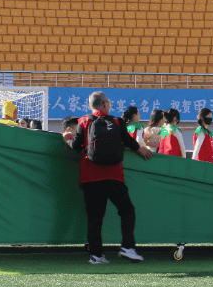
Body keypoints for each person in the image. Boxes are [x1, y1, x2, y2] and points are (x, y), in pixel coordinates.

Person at [64, 91, 152, 264]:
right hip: (114, 176)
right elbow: (128, 140)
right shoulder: (118, 122)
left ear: (91, 106)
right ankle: (128, 247)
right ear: (105, 104)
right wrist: (140, 149)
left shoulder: (83, 122)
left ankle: (96, 255)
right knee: (127, 211)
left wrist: (67, 138)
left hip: (90, 177)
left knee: (95, 218)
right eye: (109, 102)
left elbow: (75, 146)